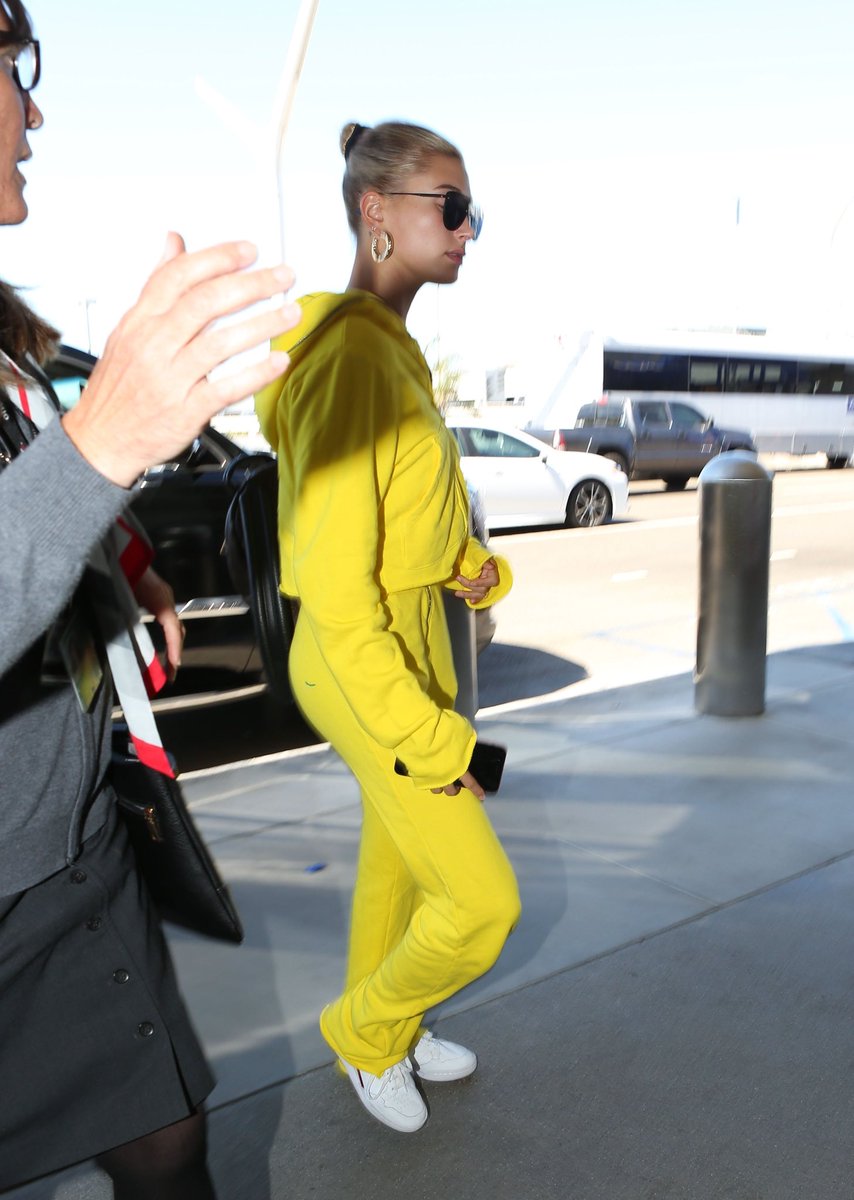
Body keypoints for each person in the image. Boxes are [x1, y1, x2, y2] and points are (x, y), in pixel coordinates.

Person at [0, 2, 299, 1194]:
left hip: (69, 861)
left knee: (165, 1140)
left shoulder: (4, 333)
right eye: (11, 69)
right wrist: (104, 437)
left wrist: (123, 571)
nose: (33, 109)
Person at [255, 120, 521, 1134]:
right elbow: (332, 584)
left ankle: (392, 1033)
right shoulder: (352, 361)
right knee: (480, 902)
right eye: (447, 207)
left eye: (471, 212)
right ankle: (367, 1030)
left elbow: (397, 510)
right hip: (367, 661)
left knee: (400, 863)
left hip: (412, 635)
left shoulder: (388, 347)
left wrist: (465, 563)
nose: (465, 229)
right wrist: (434, 739)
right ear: (376, 213)